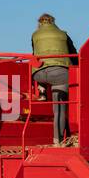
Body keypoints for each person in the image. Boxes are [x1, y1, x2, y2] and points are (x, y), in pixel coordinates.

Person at [31, 13, 75, 144]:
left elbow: (35, 54)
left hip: (39, 74)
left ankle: (42, 91)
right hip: (59, 74)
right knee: (59, 110)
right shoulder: (63, 34)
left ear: (40, 23)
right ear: (53, 22)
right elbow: (73, 54)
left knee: (40, 67)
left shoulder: (35, 35)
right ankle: (58, 141)